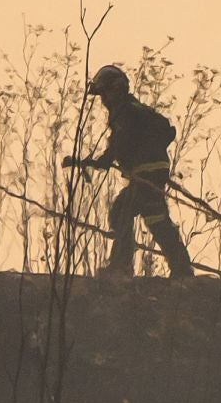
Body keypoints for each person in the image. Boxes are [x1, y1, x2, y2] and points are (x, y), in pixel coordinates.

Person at [63, 64, 195, 278]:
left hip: (146, 171)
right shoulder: (133, 110)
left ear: (116, 90)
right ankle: (181, 268)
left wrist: (102, 161)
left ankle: (121, 266)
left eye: (104, 93)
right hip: (151, 169)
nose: (103, 99)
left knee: (123, 210)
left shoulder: (125, 112)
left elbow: (119, 143)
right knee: (155, 217)